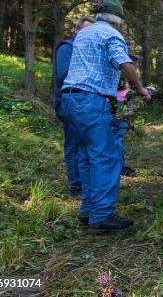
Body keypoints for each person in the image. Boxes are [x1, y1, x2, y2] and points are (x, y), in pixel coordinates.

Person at [59, 0, 151, 234]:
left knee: (86, 155)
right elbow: (125, 63)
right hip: (91, 100)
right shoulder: (111, 34)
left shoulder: (84, 34)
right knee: (106, 156)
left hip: (69, 98)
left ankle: (88, 210)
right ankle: (101, 216)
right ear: (118, 21)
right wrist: (140, 88)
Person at [53, 17, 95, 197]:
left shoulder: (84, 50)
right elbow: (62, 74)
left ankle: (84, 185)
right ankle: (75, 187)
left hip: (83, 103)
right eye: (85, 31)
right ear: (76, 30)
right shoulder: (66, 48)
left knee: (84, 144)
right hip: (68, 102)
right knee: (73, 146)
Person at [112, 80, 137, 177]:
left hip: (123, 120)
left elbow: (132, 107)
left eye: (125, 82)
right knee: (117, 142)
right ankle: (119, 166)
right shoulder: (112, 90)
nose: (122, 83)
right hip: (112, 117)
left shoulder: (130, 93)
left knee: (118, 141)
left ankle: (121, 166)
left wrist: (127, 117)